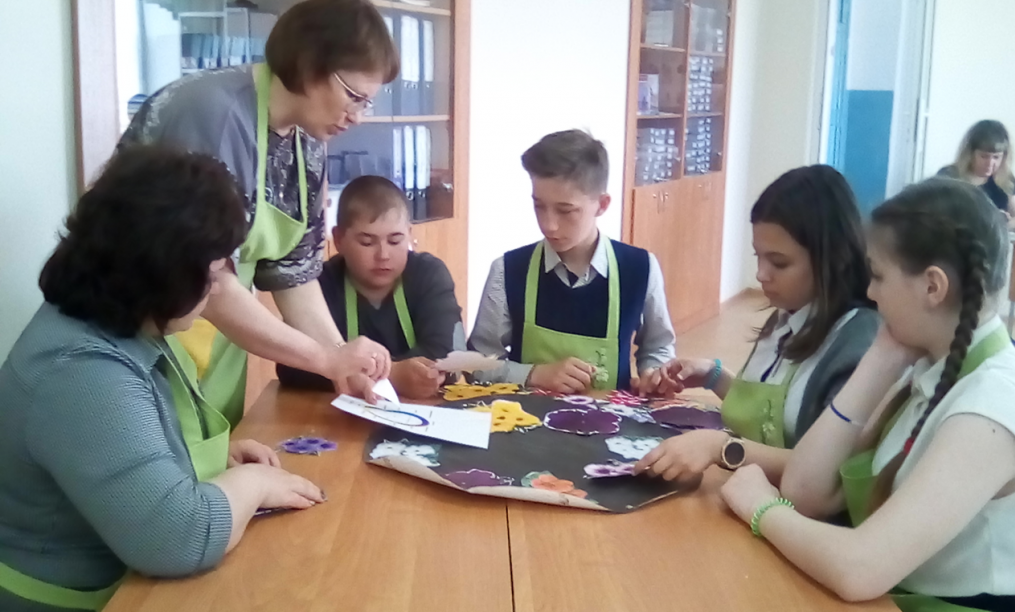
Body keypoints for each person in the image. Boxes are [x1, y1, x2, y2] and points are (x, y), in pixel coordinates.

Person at [0, 147, 325, 612]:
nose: (219, 287)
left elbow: (113, 447)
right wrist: (254, 484)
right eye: (213, 272)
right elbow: (178, 539)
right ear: (164, 272)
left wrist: (198, 459)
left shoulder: (114, 320)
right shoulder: (80, 369)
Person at [721, 178, 1015, 611]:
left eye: (878, 276)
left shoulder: (993, 402)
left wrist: (761, 508)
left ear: (932, 287)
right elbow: (806, 490)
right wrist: (880, 360)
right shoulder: (927, 364)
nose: (869, 292)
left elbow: (861, 568)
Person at [119, 0, 399, 426]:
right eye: (353, 96)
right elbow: (204, 278)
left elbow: (294, 275)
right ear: (309, 64)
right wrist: (324, 358)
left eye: (368, 103)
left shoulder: (307, 141)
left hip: (215, 353)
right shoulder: (211, 114)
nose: (357, 117)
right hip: (141, 345)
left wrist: (341, 361)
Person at [635, 165, 879, 484]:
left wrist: (722, 447)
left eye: (779, 263)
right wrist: (712, 376)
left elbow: (827, 470)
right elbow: (769, 414)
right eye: (758, 257)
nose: (761, 274)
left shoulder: (857, 343)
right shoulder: (786, 314)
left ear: (834, 257)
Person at [468, 129, 676, 393]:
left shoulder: (640, 269)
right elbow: (477, 365)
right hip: (523, 417)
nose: (549, 225)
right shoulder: (507, 271)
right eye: (538, 206)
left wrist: (653, 375)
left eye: (566, 211)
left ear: (602, 205)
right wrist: (533, 374)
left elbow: (658, 348)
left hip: (610, 417)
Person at [277, 176, 464, 399]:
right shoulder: (319, 283)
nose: (383, 255)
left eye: (395, 241)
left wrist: (360, 372)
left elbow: (450, 358)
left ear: (409, 234)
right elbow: (291, 367)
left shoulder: (429, 275)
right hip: (339, 410)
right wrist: (392, 376)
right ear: (338, 239)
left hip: (421, 409)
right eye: (367, 242)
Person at [938, 120, 1015, 229]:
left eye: (996, 157)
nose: (990, 163)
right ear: (970, 154)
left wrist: (1002, 225)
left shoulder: (1006, 179)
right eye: (984, 156)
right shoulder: (948, 176)